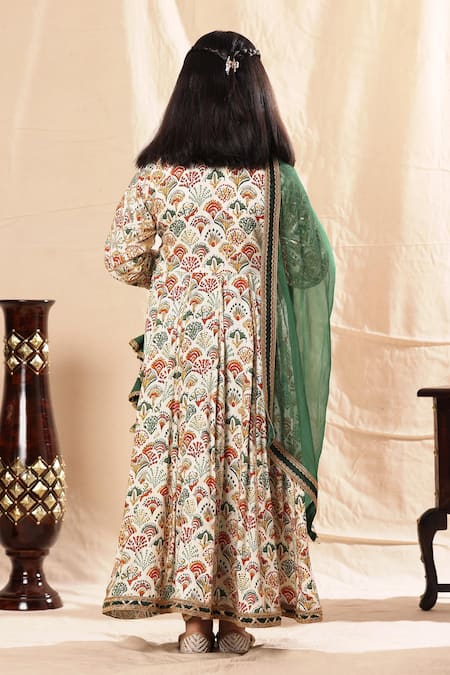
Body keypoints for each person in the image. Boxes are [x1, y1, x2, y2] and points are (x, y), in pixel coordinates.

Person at [102, 30, 335, 655]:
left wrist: (180, 277)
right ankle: (236, 619)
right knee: (240, 465)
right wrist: (249, 274)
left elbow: (122, 258)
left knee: (184, 467)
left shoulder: (157, 176)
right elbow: (311, 266)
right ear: (256, 95)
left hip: (179, 353)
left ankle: (192, 624)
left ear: (187, 95)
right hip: (249, 353)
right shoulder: (275, 180)